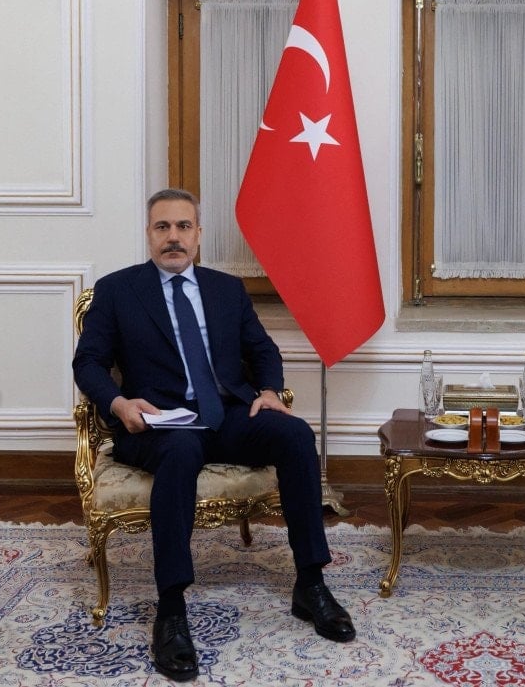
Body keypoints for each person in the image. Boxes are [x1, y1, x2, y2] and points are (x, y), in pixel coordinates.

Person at [73, 188, 355, 682]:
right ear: (149, 235)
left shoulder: (227, 290)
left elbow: (262, 349)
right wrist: (119, 404)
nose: (173, 237)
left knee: (294, 435)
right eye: (163, 227)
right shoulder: (118, 290)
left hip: (225, 415)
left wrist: (269, 391)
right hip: (158, 424)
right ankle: (170, 609)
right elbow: (88, 363)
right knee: (181, 450)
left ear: (199, 235)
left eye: (183, 226)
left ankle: (310, 584)